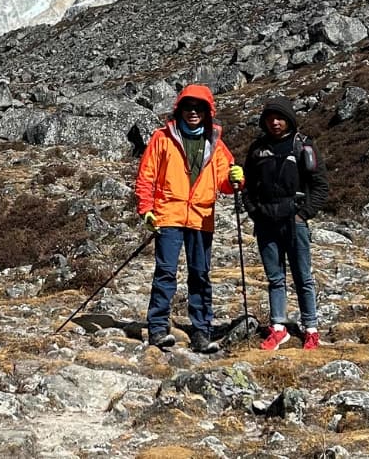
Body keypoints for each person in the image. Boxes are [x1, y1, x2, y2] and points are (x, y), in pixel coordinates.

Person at [135, 84, 240, 353]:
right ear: (179, 109)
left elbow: (226, 183)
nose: (193, 112)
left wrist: (236, 177)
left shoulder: (216, 142)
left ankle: (201, 332)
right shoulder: (162, 138)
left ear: (207, 111)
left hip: (201, 217)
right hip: (168, 214)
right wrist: (146, 209)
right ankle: (158, 328)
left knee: (200, 275)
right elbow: (146, 176)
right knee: (166, 273)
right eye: (188, 107)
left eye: (199, 108)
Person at [240, 95, 329, 350]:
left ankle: (310, 328)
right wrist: (254, 212)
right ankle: (278, 327)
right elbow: (246, 185)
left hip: (295, 221)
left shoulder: (303, 146)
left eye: (279, 118)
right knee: (275, 277)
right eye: (270, 119)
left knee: (303, 277)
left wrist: (304, 214)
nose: (275, 123)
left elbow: (320, 185)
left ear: (289, 120)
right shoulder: (257, 149)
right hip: (266, 221)